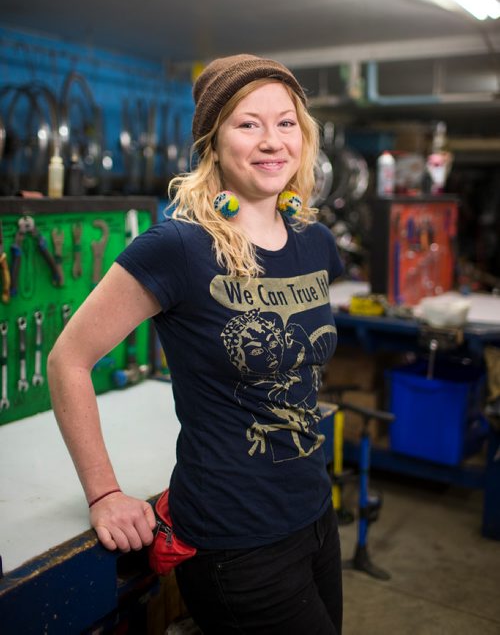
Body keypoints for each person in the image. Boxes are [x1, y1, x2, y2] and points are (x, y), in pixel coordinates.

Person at [48, 54, 344, 634]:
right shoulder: (179, 248)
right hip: (236, 541)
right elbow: (67, 360)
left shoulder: (315, 242)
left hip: (314, 514)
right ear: (213, 140)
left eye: (286, 123)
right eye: (248, 123)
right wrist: (104, 492)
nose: (271, 140)